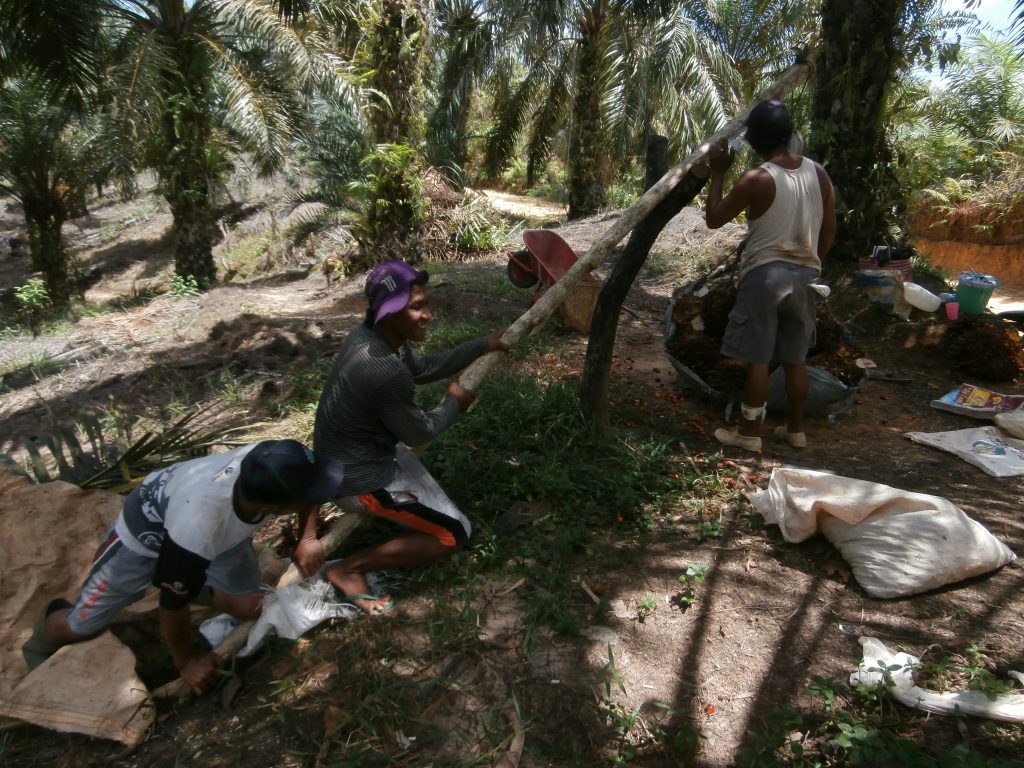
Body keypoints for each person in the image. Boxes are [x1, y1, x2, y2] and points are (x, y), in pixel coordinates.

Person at [22, 440, 345, 694]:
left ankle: (197, 586)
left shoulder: (274, 459)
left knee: (250, 607)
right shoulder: (199, 526)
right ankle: (43, 636)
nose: (316, 498)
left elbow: (311, 490)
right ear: (274, 506)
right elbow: (171, 602)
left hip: (220, 537)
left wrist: (309, 537)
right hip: (144, 537)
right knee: (81, 626)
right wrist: (187, 662)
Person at [313, 260, 508, 614]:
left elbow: (424, 369)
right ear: (388, 313)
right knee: (454, 535)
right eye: (416, 307)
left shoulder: (372, 336)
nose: (428, 314)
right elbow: (421, 431)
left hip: (348, 457)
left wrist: (483, 344)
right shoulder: (384, 370)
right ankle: (348, 568)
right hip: (359, 479)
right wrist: (454, 403)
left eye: (426, 304)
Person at [704, 99, 836, 452]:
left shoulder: (757, 178)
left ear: (753, 142)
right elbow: (829, 231)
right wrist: (810, 264)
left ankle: (749, 434)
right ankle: (795, 430)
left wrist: (718, 171)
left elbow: (714, 217)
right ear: (790, 134)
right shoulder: (818, 172)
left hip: (766, 277)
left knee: (758, 358)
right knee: (796, 358)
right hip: (807, 277)